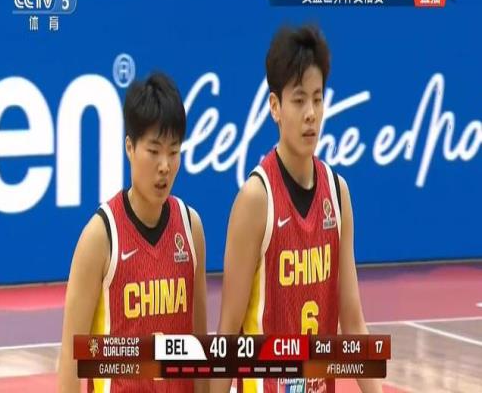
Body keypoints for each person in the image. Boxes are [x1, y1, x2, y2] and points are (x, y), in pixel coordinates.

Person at [211, 25, 382, 393]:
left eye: (318, 100)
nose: (311, 114)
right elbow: (228, 332)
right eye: (299, 100)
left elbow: (353, 322)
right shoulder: (256, 199)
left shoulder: (338, 193)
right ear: (275, 107)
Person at [58, 72, 208, 393]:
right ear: (130, 147)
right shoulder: (100, 236)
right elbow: (71, 356)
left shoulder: (191, 228)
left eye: (173, 151)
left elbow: (198, 346)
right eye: (153, 151)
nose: (164, 165)